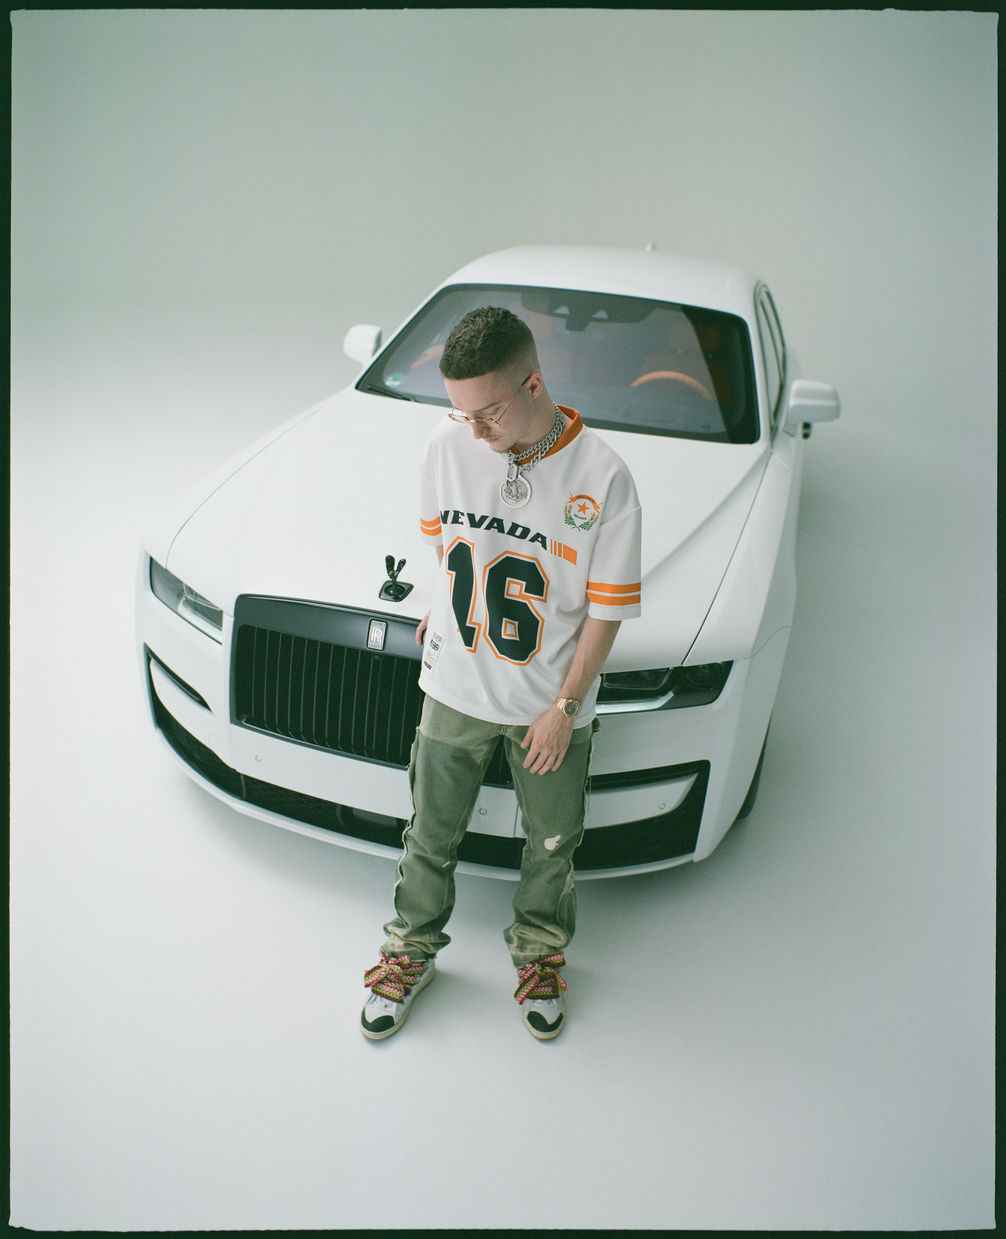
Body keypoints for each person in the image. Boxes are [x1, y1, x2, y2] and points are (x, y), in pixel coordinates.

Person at [361, 306, 642, 1042]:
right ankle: (408, 950)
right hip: (455, 686)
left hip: (546, 700)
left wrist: (565, 707)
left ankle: (540, 954)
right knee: (429, 833)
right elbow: (446, 542)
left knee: (552, 843)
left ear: (534, 384)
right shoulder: (448, 444)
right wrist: (445, 602)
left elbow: (606, 611)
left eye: (488, 413)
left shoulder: (603, 476)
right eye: (462, 413)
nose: (476, 432)